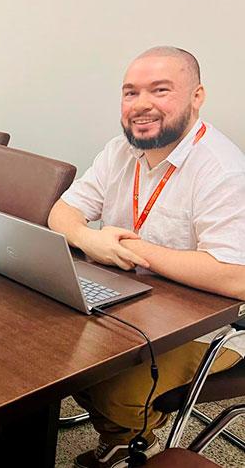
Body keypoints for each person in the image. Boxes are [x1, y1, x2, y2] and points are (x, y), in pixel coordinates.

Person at [48, 47, 245, 468]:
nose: (141, 104)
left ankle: (131, 441)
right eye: (130, 92)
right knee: (49, 352)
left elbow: (236, 277)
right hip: (129, 299)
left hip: (208, 325)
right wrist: (87, 237)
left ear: (197, 97)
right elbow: (61, 212)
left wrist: (135, 250)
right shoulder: (118, 152)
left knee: (113, 386)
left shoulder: (223, 170)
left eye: (160, 90)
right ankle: (118, 428)